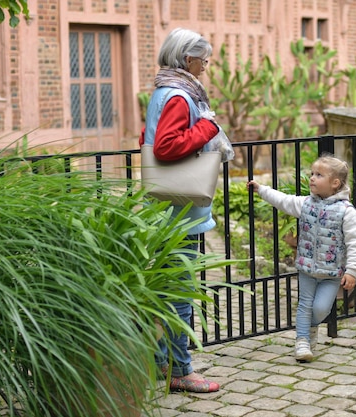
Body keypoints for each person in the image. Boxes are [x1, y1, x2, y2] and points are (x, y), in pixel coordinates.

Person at [140, 27, 220, 393]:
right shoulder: (179, 95)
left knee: (166, 289)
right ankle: (181, 371)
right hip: (181, 212)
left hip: (164, 207)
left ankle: (163, 363)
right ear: (187, 59)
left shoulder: (162, 91)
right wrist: (207, 128)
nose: (206, 65)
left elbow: (146, 139)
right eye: (204, 58)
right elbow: (165, 148)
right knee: (180, 293)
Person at [247, 154, 356, 362]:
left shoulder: (347, 212)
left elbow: (354, 243)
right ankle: (302, 341)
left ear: (335, 183)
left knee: (320, 308)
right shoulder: (306, 204)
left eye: (319, 175)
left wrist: (352, 270)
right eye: (312, 173)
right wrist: (261, 190)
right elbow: (283, 201)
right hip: (306, 268)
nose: (312, 178)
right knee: (305, 304)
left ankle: (311, 328)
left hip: (331, 273)